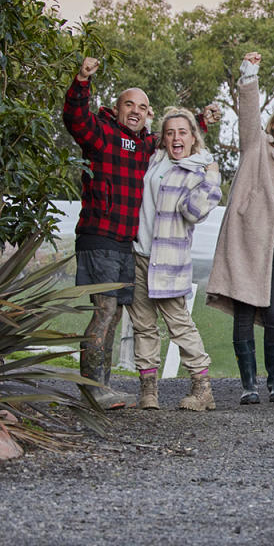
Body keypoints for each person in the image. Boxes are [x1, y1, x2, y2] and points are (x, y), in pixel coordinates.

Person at [206, 52, 274, 404]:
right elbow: (249, 111)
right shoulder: (256, 146)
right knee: (244, 311)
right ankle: (249, 385)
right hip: (249, 243)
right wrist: (249, 74)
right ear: (273, 124)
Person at [62, 57, 156, 409]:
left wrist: (201, 123)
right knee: (104, 310)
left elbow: (179, 141)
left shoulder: (146, 145)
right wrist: (82, 81)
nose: (135, 111)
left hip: (123, 244)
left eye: (143, 107)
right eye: (129, 104)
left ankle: (100, 387)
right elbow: (75, 118)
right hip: (98, 237)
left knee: (113, 313)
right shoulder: (101, 134)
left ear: (149, 115)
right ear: (116, 108)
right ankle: (92, 390)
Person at [130, 108, 221, 411]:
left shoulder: (197, 171)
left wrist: (212, 176)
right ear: (163, 138)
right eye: (170, 132)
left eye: (182, 132)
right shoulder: (156, 160)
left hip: (169, 260)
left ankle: (202, 388)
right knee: (143, 325)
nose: (176, 137)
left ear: (194, 137)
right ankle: (148, 391)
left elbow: (193, 213)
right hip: (140, 255)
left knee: (179, 324)